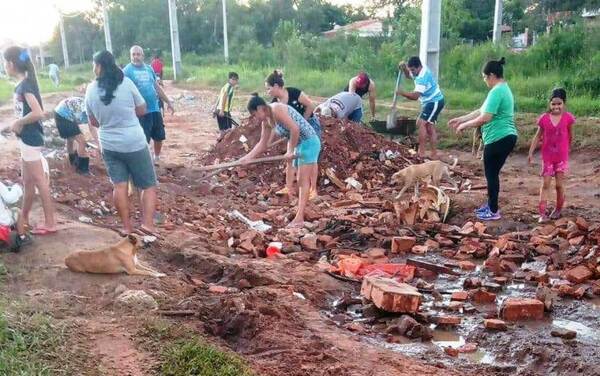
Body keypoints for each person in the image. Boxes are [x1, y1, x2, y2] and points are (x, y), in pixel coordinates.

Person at [85, 50, 158, 236]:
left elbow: (93, 122)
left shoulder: (90, 89)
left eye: (94, 65)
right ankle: (147, 225)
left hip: (109, 144)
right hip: (134, 142)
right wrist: (126, 114)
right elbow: (142, 109)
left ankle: (126, 227)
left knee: (119, 186)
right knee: (147, 185)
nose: (93, 68)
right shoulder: (126, 83)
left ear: (99, 66)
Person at [448, 57, 517, 221]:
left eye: (485, 77)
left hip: (498, 138)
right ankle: (491, 205)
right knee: (491, 174)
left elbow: (485, 117)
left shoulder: (497, 91)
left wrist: (465, 126)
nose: (485, 80)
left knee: (491, 175)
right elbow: (480, 111)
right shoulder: (500, 89)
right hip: (504, 137)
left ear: (492, 75)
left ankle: (493, 211)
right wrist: (461, 119)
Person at [239, 94, 321, 228]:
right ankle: (298, 212)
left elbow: (295, 128)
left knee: (301, 180)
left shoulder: (276, 109)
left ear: (261, 108)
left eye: (254, 114)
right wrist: (248, 158)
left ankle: (299, 218)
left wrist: (290, 151)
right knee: (300, 180)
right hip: (300, 144)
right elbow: (263, 144)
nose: (255, 118)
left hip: (309, 142)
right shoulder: (267, 121)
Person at [3, 46, 57, 235]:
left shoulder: (25, 85)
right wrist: (17, 123)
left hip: (30, 139)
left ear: (10, 63)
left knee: (39, 181)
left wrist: (19, 121)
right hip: (27, 138)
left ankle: (50, 222)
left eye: (4, 63)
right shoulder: (23, 84)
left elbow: (38, 112)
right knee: (28, 181)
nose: (4, 66)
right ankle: (24, 217)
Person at [265, 70, 320, 198]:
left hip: (309, 125)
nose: (267, 92)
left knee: (311, 158)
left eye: (268, 89)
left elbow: (310, 105)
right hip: (293, 131)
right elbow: (274, 125)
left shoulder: (293, 93)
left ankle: (313, 189)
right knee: (290, 157)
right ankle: (288, 187)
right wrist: (269, 143)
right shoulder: (275, 102)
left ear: (276, 86)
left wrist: (303, 122)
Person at [528, 88, 575, 222]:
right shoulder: (544, 119)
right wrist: (531, 152)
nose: (556, 107)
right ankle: (542, 213)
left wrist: (567, 150)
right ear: (549, 104)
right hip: (547, 157)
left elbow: (570, 135)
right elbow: (537, 136)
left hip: (561, 157)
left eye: (559, 104)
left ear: (564, 104)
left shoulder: (568, 118)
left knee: (559, 185)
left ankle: (558, 209)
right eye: (553, 104)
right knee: (546, 183)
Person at [123, 45, 174, 166]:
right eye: (133, 54)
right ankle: (144, 161)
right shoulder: (126, 71)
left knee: (159, 135)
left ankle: (156, 158)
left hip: (154, 108)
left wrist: (168, 102)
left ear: (142, 56)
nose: (136, 57)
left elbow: (156, 87)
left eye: (138, 54)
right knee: (143, 138)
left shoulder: (148, 69)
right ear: (130, 56)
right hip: (140, 111)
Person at [398, 56, 445, 159]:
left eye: (413, 70)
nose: (412, 72)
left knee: (421, 123)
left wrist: (401, 93)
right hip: (431, 101)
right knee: (429, 127)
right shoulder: (417, 72)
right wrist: (405, 69)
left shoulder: (422, 76)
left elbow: (415, 96)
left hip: (434, 101)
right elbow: (408, 76)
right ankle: (433, 154)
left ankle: (421, 153)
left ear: (419, 66)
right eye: (411, 70)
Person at [52, 96, 98, 175]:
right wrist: (98, 143)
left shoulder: (87, 105)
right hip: (64, 115)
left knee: (70, 139)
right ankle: (82, 169)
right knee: (82, 142)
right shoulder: (88, 109)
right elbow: (92, 128)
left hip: (60, 113)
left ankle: (72, 160)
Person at [213, 71, 239, 141]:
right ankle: (226, 145)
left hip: (220, 109)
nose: (234, 81)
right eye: (233, 79)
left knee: (222, 129)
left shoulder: (224, 86)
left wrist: (215, 109)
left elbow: (219, 98)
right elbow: (224, 97)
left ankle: (220, 143)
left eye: (236, 80)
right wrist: (222, 110)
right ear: (229, 79)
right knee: (228, 129)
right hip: (224, 111)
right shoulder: (229, 87)